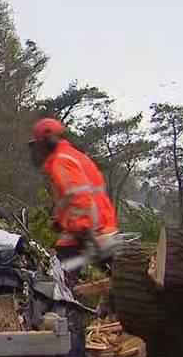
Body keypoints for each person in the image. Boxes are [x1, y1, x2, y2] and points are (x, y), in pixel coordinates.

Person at [28, 117, 118, 276]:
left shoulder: (61, 161)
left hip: (87, 229)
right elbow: (69, 198)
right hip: (94, 226)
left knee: (60, 276)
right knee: (111, 274)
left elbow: (80, 196)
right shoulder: (72, 156)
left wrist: (82, 228)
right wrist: (60, 220)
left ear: (47, 139)